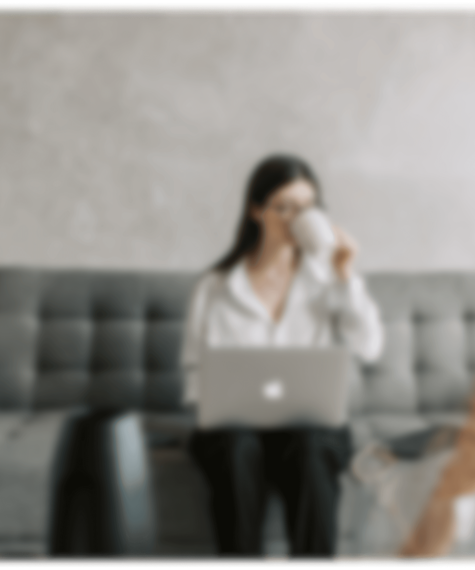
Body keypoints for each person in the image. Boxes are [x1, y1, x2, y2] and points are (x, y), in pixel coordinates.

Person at [180, 154, 384, 562]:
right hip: (234, 430)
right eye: (284, 207)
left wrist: (345, 274)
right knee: (237, 449)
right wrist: (214, 403)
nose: (296, 219)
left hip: (309, 428)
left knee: (311, 447)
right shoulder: (215, 286)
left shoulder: (328, 279)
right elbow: (195, 373)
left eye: (308, 209)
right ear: (257, 210)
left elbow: (370, 346)